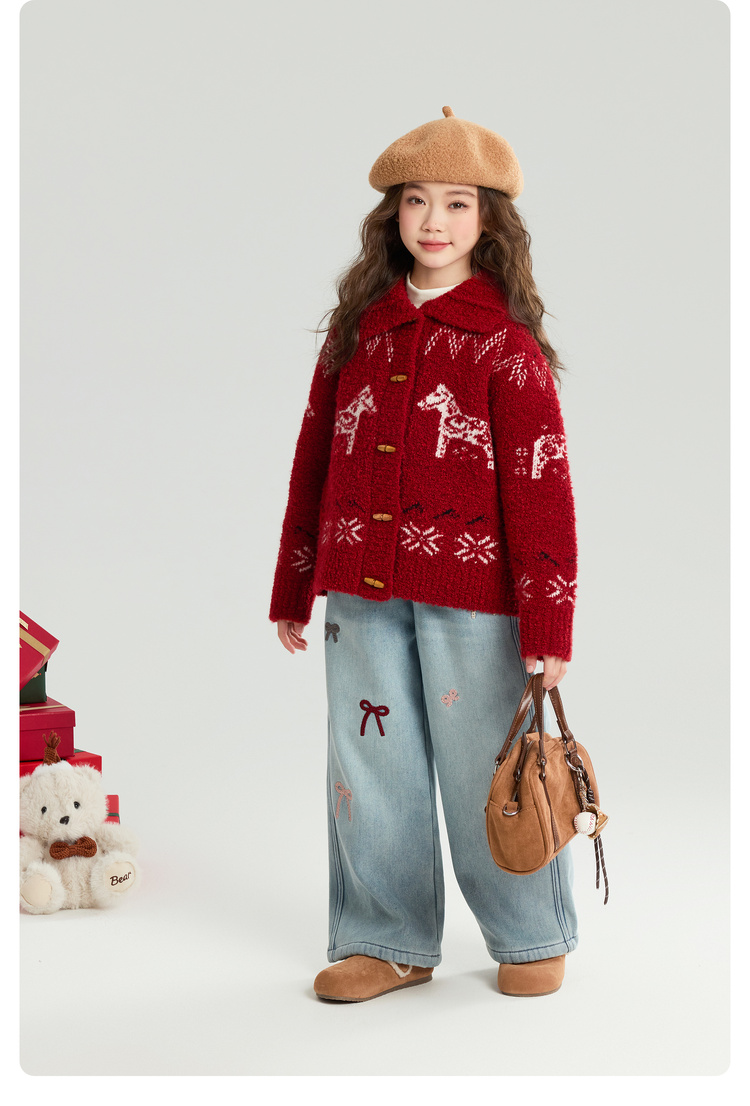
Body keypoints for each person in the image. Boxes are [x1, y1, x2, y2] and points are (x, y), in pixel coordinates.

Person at [269, 106, 579, 1002]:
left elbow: (542, 487)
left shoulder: (505, 347)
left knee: (492, 765)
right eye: (415, 201)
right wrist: (296, 581)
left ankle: (530, 933)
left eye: (456, 204)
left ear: (489, 221)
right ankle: (386, 938)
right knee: (370, 766)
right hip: (360, 594)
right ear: (392, 214)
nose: (433, 221)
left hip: (476, 602)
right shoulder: (358, 332)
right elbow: (315, 455)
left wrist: (549, 623)